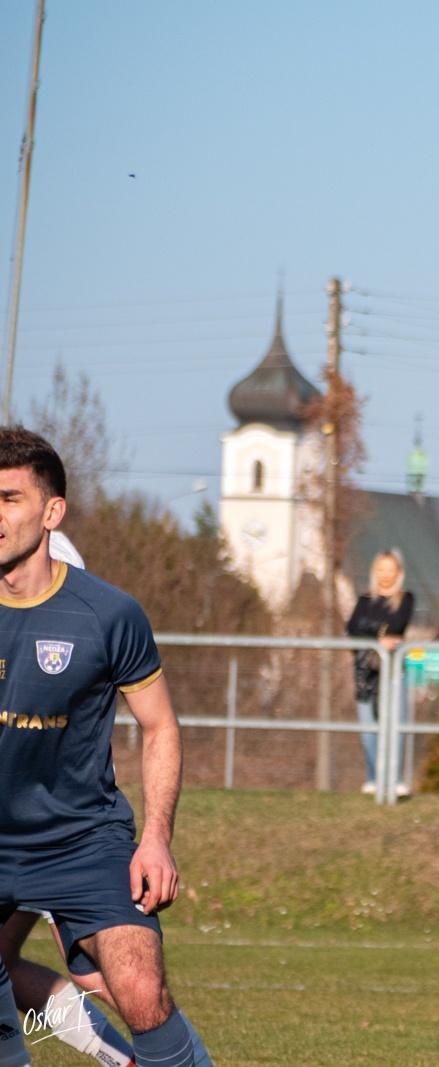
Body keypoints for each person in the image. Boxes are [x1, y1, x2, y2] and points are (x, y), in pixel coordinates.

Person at [0, 427, 200, 1067]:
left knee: (138, 988)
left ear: (51, 512)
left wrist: (156, 839)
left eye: (9, 499)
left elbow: (160, 726)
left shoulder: (109, 614)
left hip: (83, 839)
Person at [345, 549, 414, 796]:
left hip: (394, 671)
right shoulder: (364, 600)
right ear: (375, 572)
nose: (386, 574)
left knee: (395, 724)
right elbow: (352, 628)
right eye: (381, 569)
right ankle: (373, 777)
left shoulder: (405, 599)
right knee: (368, 728)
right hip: (366, 673)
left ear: (398, 572)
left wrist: (369, 630)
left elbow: (397, 625)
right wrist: (378, 636)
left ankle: (394, 779)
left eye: (390, 569)